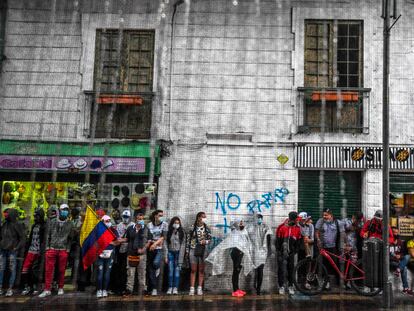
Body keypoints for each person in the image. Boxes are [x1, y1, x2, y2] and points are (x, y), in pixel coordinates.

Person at [206, 219, 254, 297]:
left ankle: (237, 289)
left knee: (237, 271)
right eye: (240, 224)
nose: (242, 225)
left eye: (242, 223)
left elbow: (246, 243)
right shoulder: (234, 233)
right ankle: (235, 290)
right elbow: (225, 244)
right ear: (237, 225)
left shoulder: (243, 232)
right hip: (236, 253)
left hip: (241, 253)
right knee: (236, 270)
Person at [38, 204, 73, 298]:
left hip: (63, 249)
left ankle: (60, 287)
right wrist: (47, 248)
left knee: (62, 270)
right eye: (63, 210)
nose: (65, 211)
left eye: (66, 210)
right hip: (52, 248)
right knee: (49, 270)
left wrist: (67, 249)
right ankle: (47, 289)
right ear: (59, 210)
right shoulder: (52, 221)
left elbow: (70, 238)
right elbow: (47, 235)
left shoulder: (70, 223)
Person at [315, 207, 346, 290]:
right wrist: (318, 240)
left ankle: (340, 282)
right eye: (323, 215)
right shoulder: (320, 221)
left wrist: (345, 245)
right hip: (323, 248)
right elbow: (317, 232)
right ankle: (324, 283)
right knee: (322, 265)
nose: (324, 216)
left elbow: (343, 234)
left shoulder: (337, 222)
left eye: (326, 215)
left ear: (331, 215)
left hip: (333, 248)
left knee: (333, 265)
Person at [123, 212, 151, 296]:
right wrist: (117, 240)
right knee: (130, 273)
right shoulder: (130, 228)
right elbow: (126, 239)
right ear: (136, 219)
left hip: (142, 255)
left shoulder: (146, 229)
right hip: (131, 254)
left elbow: (149, 241)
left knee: (142, 273)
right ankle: (129, 290)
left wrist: (144, 249)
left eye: (142, 219)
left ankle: (143, 290)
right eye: (139, 219)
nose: (141, 220)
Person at [0, 208, 26, 296]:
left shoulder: (17, 224)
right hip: (3, 249)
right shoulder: (4, 224)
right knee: (1, 268)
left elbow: (23, 238)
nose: (5, 215)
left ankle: (9, 288)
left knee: (11, 269)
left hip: (11, 250)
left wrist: (16, 248)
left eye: (7, 213)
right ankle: (1, 287)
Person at [21, 208, 46, 295]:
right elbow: (31, 238)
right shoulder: (34, 226)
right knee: (25, 269)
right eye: (35, 216)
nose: (36, 218)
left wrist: (41, 251)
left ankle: (34, 287)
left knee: (34, 270)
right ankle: (27, 286)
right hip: (30, 250)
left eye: (37, 216)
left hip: (38, 251)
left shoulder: (44, 226)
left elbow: (43, 240)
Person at [276, 211, 302, 295]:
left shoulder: (297, 228)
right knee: (281, 270)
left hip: (291, 253)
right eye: (296, 219)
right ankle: (281, 287)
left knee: (291, 270)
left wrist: (295, 251)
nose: (298, 220)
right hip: (282, 253)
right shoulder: (281, 227)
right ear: (292, 219)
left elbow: (299, 241)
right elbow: (277, 241)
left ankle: (290, 286)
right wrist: (279, 252)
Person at [186, 212, 211, 296]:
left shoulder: (207, 228)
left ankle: (199, 288)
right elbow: (188, 240)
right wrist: (187, 251)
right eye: (203, 217)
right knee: (193, 270)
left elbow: (210, 239)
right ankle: (192, 288)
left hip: (203, 250)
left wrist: (206, 241)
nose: (204, 218)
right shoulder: (192, 228)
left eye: (205, 217)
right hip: (193, 249)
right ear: (198, 217)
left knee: (201, 270)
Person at [247, 213, 272, 295]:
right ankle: (255, 287)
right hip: (255, 252)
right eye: (258, 218)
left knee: (259, 270)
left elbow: (268, 237)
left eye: (260, 218)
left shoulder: (265, 227)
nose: (259, 220)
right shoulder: (251, 227)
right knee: (256, 270)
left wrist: (269, 250)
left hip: (261, 252)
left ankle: (258, 289)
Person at [110, 209, 133, 295]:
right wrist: (123, 240)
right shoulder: (119, 225)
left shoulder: (132, 225)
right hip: (120, 251)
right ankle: (119, 288)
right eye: (124, 217)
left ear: (130, 217)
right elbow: (118, 237)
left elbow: (130, 238)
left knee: (128, 270)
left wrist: (123, 240)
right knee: (120, 269)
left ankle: (127, 288)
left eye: (127, 217)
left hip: (130, 251)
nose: (125, 218)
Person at [96, 215, 120, 298]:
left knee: (107, 273)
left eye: (109, 220)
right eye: (107, 221)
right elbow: (95, 241)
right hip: (100, 254)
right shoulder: (98, 230)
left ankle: (105, 290)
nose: (109, 222)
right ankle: (99, 290)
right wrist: (109, 242)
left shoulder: (113, 230)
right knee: (100, 273)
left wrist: (110, 242)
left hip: (110, 253)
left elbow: (118, 241)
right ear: (102, 221)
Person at [147, 210, 168, 296]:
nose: (161, 217)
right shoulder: (149, 225)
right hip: (151, 248)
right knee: (151, 269)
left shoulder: (165, 224)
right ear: (155, 216)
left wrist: (155, 244)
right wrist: (151, 244)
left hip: (159, 248)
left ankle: (158, 266)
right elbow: (149, 237)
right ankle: (154, 288)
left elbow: (163, 237)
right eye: (160, 215)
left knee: (156, 263)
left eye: (162, 215)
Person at [164, 216, 186, 295]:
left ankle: (175, 288)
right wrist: (165, 256)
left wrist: (181, 258)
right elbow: (165, 243)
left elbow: (183, 245)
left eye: (178, 223)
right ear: (172, 223)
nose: (176, 224)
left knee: (177, 271)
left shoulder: (182, 232)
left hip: (178, 253)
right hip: (170, 252)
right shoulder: (169, 231)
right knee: (170, 270)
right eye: (175, 223)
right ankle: (170, 287)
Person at [390, 227, 413, 296]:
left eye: (397, 232)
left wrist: (400, 256)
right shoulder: (388, 242)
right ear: (391, 233)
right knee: (404, 268)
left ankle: (398, 270)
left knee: (407, 256)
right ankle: (406, 288)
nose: (396, 234)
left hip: (399, 261)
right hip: (391, 261)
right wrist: (394, 257)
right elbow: (386, 255)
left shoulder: (400, 242)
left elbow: (404, 253)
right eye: (394, 232)